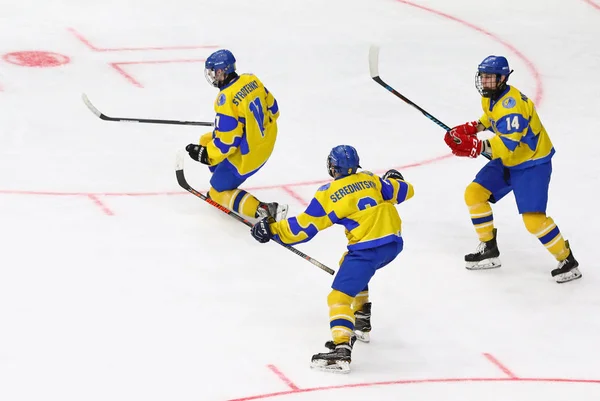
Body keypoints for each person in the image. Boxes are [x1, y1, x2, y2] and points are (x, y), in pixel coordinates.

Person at [250, 145, 414, 373]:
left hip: (367, 250)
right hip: (393, 243)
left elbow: (304, 228)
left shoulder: (329, 193)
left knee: (338, 297)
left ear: (332, 167)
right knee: (349, 266)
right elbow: (405, 191)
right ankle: (361, 318)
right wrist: (394, 180)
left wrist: (272, 229)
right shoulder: (370, 179)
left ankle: (341, 350)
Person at [443, 55, 581, 283]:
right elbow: (491, 118)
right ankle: (489, 249)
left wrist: (477, 146)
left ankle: (567, 261)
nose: (485, 82)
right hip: (511, 159)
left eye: (490, 77)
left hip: (532, 164)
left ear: (503, 78)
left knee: (533, 221)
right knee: (474, 193)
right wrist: (472, 128)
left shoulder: (512, 106)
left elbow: (507, 145)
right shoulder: (491, 97)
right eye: (483, 77)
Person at [185, 49, 287, 221]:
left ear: (221, 71)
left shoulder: (226, 98)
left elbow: (227, 143)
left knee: (215, 191)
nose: (212, 77)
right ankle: (224, 178)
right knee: (205, 140)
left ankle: (266, 210)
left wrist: (207, 156)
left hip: (249, 155)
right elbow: (274, 110)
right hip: (266, 141)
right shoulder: (251, 79)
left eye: (213, 72)